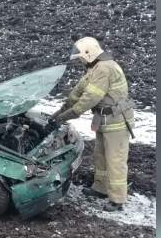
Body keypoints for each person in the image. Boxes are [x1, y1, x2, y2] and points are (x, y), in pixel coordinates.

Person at [46, 36, 134, 210]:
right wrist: (57, 113)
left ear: (88, 53)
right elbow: (77, 94)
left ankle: (117, 199)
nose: (79, 60)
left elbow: (89, 99)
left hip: (116, 122)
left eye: (80, 57)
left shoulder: (104, 69)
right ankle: (101, 188)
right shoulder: (94, 68)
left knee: (115, 160)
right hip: (103, 120)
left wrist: (66, 116)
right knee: (100, 156)